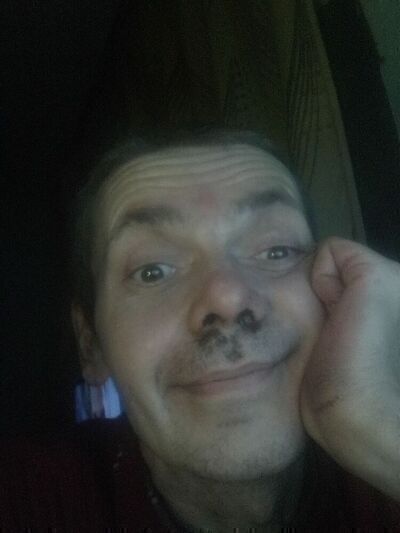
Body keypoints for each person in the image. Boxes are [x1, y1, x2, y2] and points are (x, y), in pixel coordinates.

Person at [1, 129, 400, 530]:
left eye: (277, 250)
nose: (228, 297)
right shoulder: (31, 495)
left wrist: (384, 437)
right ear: (91, 344)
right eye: (152, 271)